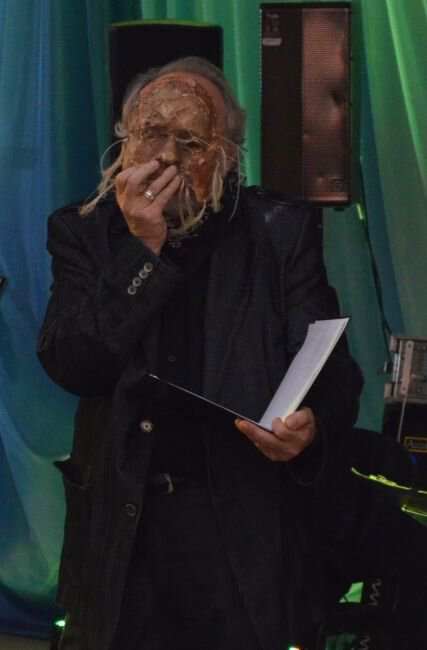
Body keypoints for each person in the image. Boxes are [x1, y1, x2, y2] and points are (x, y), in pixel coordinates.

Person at [37, 57, 363, 650]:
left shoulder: (277, 230)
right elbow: (73, 364)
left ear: (228, 155)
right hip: (123, 526)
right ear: (124, 141)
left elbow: (332, 368)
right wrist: (142, 249)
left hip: (236, 526)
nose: (165, 157)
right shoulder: (84, 231)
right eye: (151, 133)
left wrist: (310, 425)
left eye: (189, 141)